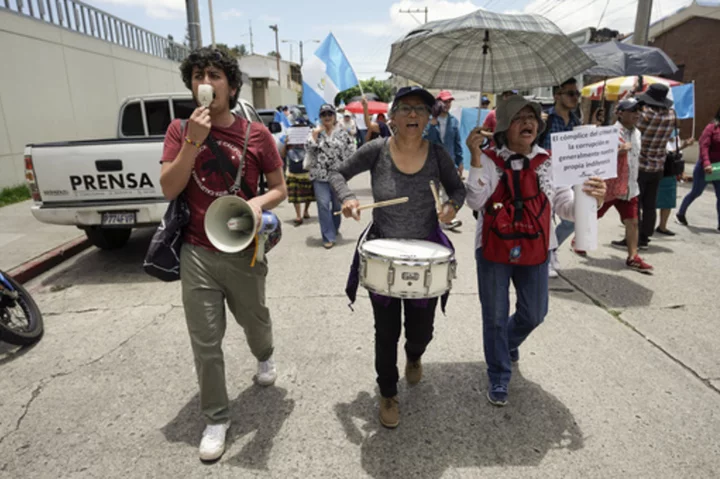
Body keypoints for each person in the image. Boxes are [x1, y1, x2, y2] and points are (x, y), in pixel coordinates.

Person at [159, 47, 287, 462]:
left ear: (231, 87)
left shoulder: (257, 135)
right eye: (198, 75)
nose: (205, 82)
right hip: (197, 250)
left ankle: (264, 355)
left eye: (214, 74)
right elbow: (169, 187)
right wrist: (193, 144)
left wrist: (258, 204)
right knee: (205, 340)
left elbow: (280, 189)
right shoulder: (180, 130)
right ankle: (216, 416)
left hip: (244, 248)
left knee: (254, 320)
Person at [329, 86, 466, 429]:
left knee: (421, 330)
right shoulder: (376, 150)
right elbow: (336, 174)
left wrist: (450, 206)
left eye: (421, 109)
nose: (413, 115)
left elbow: (458, 189)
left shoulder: (437, 155)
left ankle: (415, 354)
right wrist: (346, 198)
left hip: (427, 255)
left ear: (429, 119)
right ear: (391, 117)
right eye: (405, 108)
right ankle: (388, 392)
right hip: (383, 253)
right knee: (385, 331)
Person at [465, 95, 606, 406]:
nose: (528, 122)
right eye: (518, 117)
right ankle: (499, 374)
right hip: (492, 248)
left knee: (534, 313)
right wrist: (475, 158)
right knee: (496, 317)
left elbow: (565, 207)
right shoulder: (487, 159)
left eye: (532, 117)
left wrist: (591, 200)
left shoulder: (551, 161)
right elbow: (475, 203)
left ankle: (505, 344)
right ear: (503, 127)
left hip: (537, 248)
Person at [539, 78, 584, 277]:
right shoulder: (545, 119)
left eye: (577, 94)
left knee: (575, 219)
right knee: (545, 219)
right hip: (545, 175)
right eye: (570, 93)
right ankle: (546, 257)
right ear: (557, 95)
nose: (575, 98)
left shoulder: (576, 121)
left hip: (568, 175)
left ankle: (552, 249)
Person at [604, 99, 654, 273]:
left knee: (633, 222)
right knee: (590, 217)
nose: (636, 114)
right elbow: (600, 160)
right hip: (611, 188)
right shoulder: (610, 133)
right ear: (620, 113)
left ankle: (633, 257)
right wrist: (618, 152)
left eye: (638, 111)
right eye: (632, 111)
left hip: (630, 188)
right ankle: (579, 239)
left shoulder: (638, 134)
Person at [305, 103, 356, 248]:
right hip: (319, 175)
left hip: (338, 176)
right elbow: (308, 150)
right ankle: (328, 236)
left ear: (334, 116)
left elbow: (351, 151)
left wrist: (348, 171)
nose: (327, 117)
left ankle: (334, 227)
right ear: (320, 117)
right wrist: (314, 136)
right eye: (324, 115)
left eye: (329, 114)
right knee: (323, 205)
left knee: (336, 206)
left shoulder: (343, 132)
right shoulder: (314, 132)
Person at [635, 84, 677, 249]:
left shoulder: (644, 115)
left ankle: (634, 236)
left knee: (635, 203)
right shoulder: (671, 115)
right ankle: (645, 237)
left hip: (640, 164)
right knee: (650, 204)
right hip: (658, 165)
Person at [425, 90, 464, 230]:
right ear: (437, 102)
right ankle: (427, 219)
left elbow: (457, 142)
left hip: (449, 162)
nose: (447, 104)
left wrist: (460, 161)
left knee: (448, 192)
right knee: (431, 191)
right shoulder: (429, 119)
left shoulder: (453, 121)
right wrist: (431, 124)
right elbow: (423, 139)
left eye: (449, 101)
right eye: (444, 101)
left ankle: (448, 219)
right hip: (431, 162)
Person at [677, 106, 720, 230]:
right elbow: (704, 146)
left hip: (719, 168)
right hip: (705, 167)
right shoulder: (712, 127)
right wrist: (706, 163)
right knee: (696, 192)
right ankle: (681, 214)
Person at [656, 130, 694, 236]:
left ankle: (662, 226)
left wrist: (681, 171)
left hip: (670, 171)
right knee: (651, 200)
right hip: (658, 171)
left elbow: (678, 155)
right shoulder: (658, 134)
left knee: (668, 200)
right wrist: (683, 147)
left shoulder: (676, 137)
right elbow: (666, 154)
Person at [282, 114, 315, 226]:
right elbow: (283, 154)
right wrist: (286, 144)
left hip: (306, 169)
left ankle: (305, 211)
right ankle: (298, 215)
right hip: (293, 170)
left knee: (308, 193)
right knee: (295, 194)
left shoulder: (310, 137)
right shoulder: (290, 138)